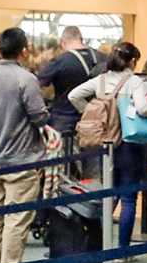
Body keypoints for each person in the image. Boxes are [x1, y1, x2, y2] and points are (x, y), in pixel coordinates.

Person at [0, 28, 49, 263]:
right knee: (16, 218)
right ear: (24, 49)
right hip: (21, 158)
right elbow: (38, 116)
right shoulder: (26, 79)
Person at [68, 42, 147, 250]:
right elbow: (143, 109)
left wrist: (90, 111)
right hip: (127, 143)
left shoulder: (101, 80)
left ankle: (102, 243)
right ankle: (123, 248)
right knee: (129, 198)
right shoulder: (133, 81)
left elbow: (73, 95)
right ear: (132, 61)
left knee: (109, 194)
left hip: (105, 144)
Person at [37, 26, 100, 166]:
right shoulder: (102, 58)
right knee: (94, 165)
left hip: (64, 118)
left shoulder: (61, 60)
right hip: (96, 119)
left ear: (63, 42)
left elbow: (38, 83)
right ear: (81, 39)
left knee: (62, 164)